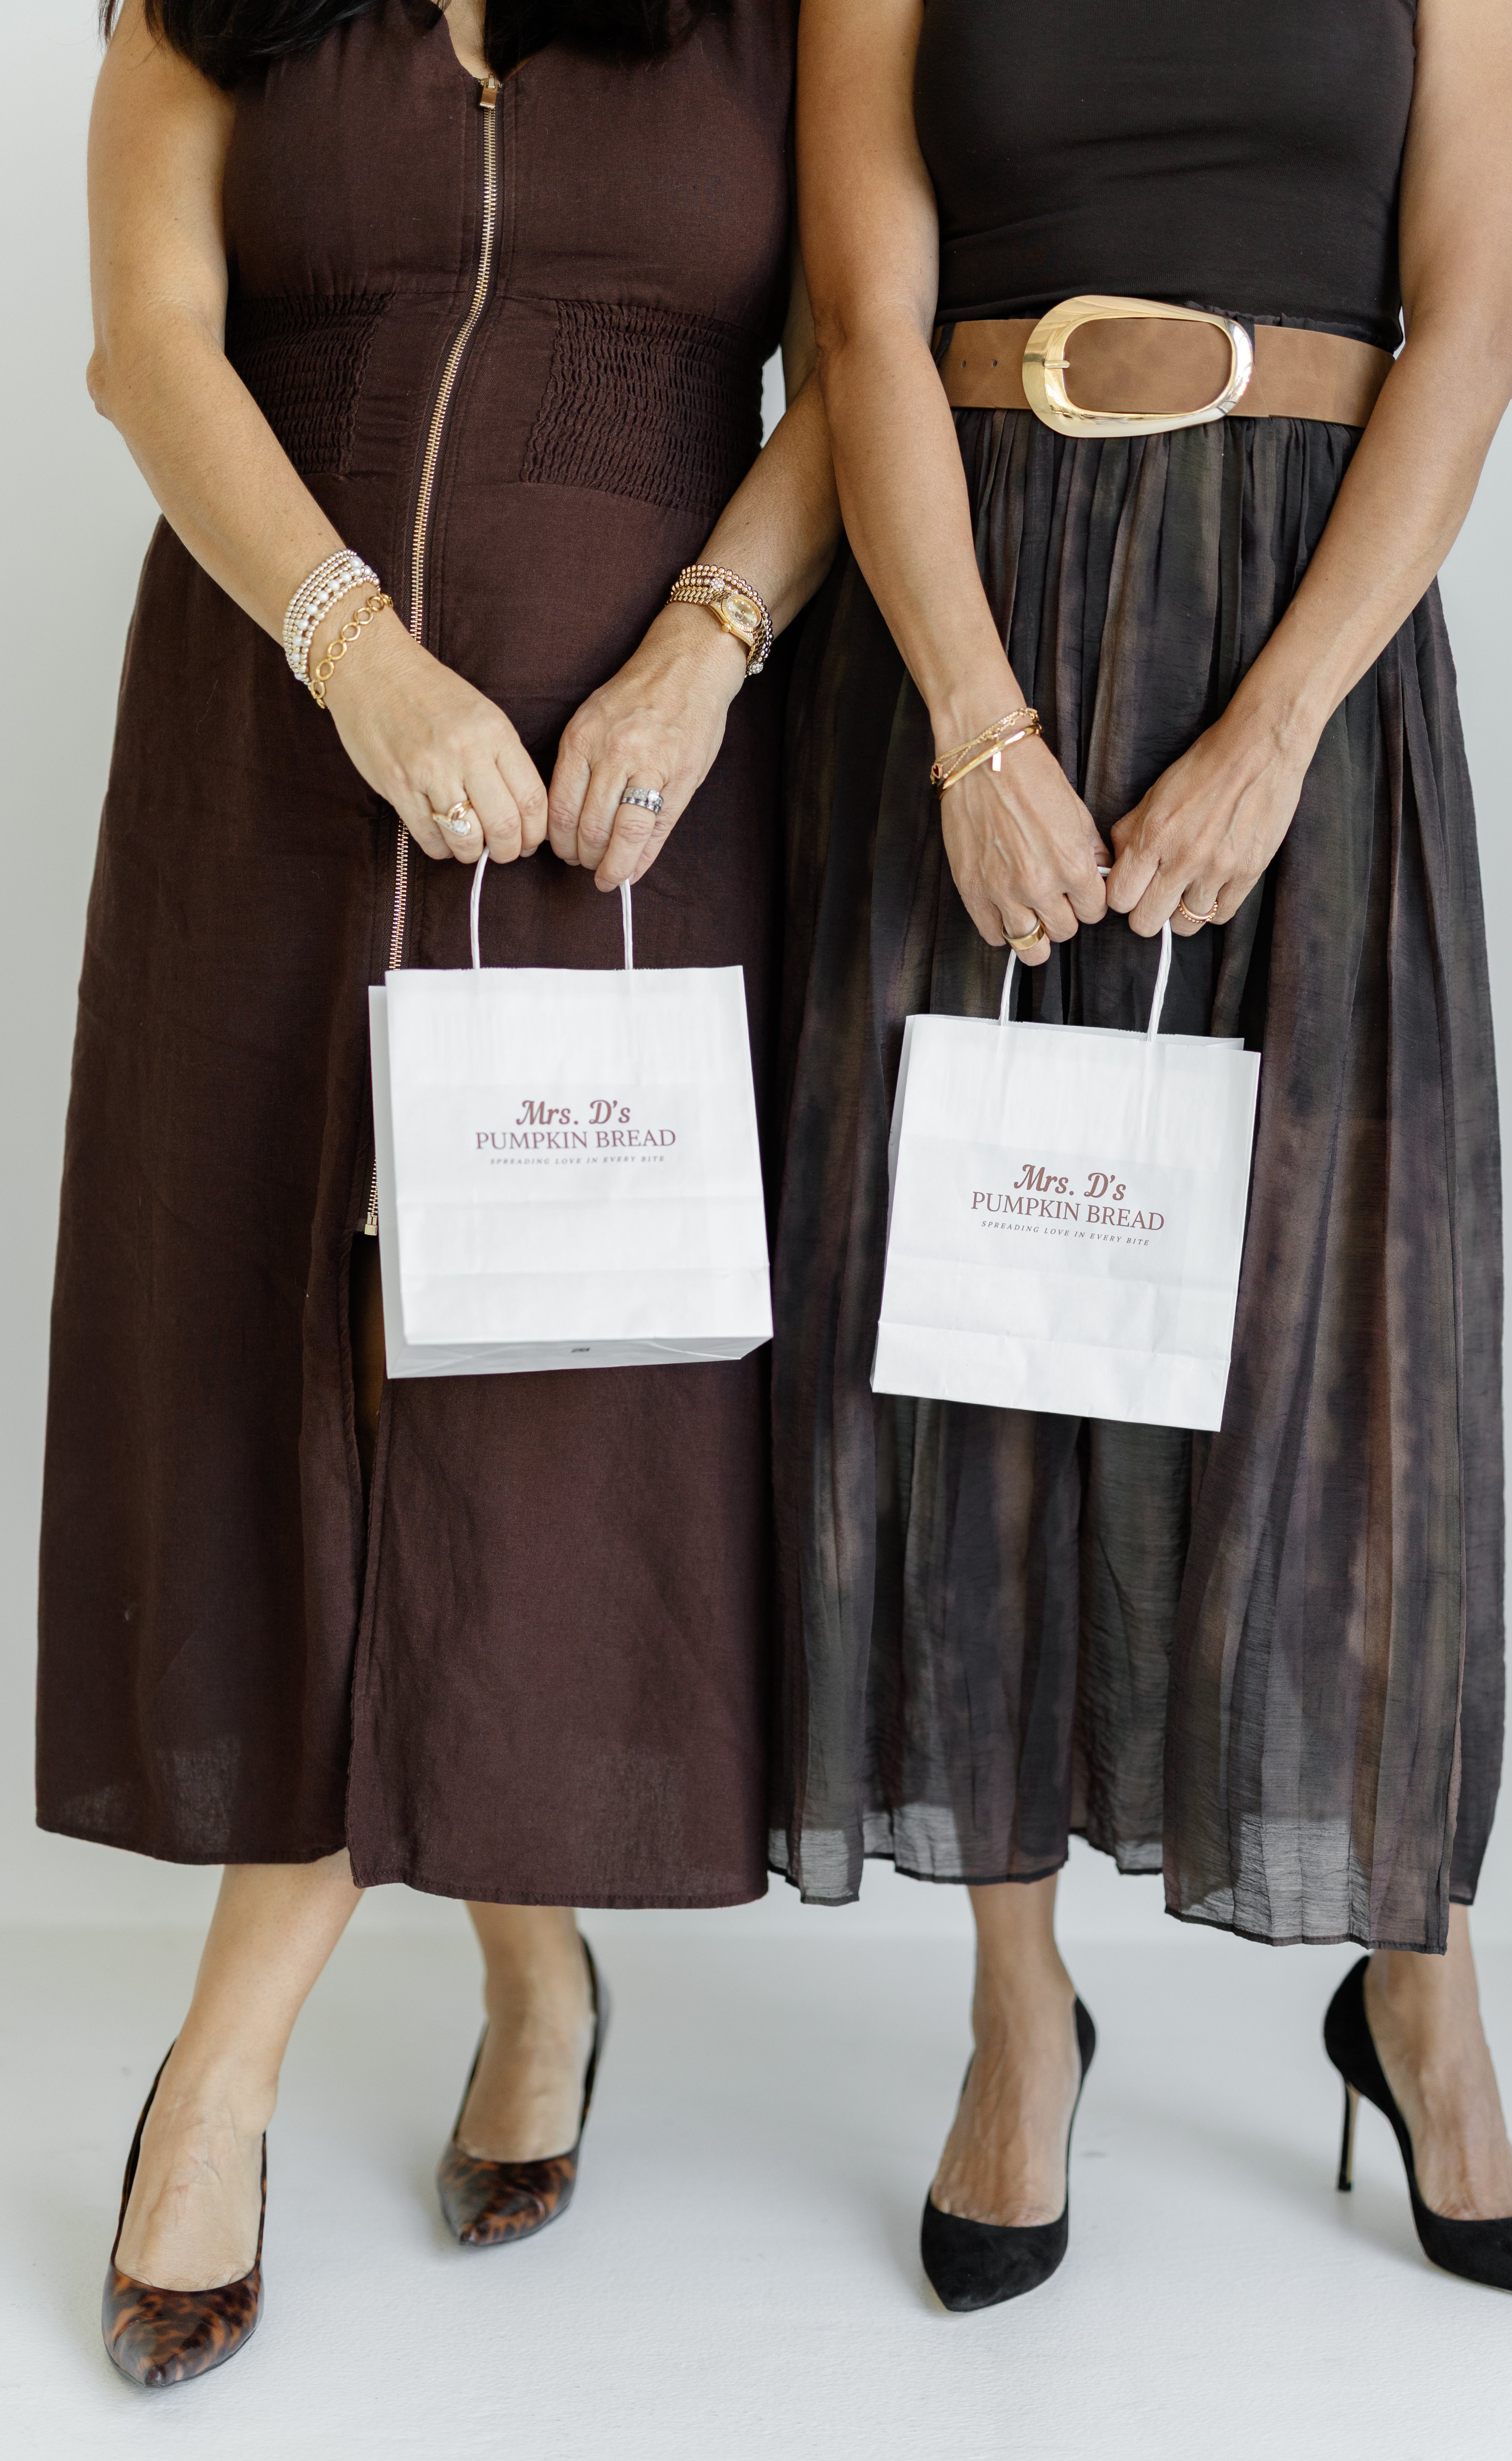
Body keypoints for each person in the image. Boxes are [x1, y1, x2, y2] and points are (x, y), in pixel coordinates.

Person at [43, 0, 835, 2386]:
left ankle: (243, 2071)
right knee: (279, 1375)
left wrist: (703, 654)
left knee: (530, 1388)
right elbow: (150, 347)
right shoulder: (202, 7)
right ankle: (505, 1962)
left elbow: (860, 372)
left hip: (630, 811)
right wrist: (359, 661)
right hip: (276, 761)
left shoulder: (782, 19)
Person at [774, 0, 1512, 2310]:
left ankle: (1415, 1997)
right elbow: (861, 321)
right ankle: (1017, 2013)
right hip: (972, 622)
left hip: (1307, 636)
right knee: (969, 1325)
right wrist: (972, 727)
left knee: (1353, 1351)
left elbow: (1473, 333)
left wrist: (1277, 729)